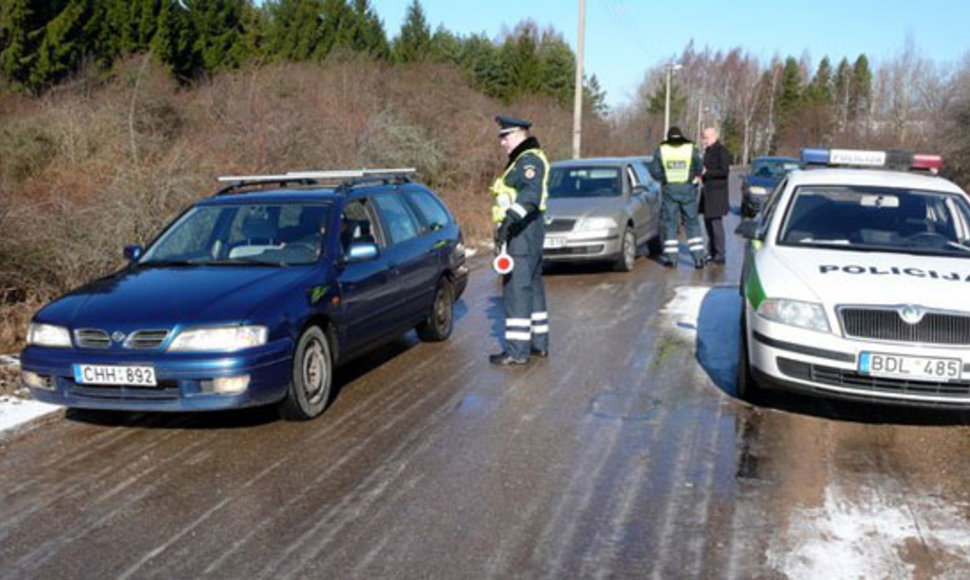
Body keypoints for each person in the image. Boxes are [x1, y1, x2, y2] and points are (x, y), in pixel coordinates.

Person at [489, 115, 550, 366]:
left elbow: (530, 196)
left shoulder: (529, 161)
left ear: (519, 135)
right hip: (529, 230)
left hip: (522, 232)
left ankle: (517, 351)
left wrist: (509, 223)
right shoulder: (524, 160)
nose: (502, 142)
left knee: (516, 289)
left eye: (505, 136)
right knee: (533, 287)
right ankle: (538, 344)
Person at [648, 126, 706, 269]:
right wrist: (691, 175)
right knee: (692, 223)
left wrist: (665, 178)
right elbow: (700, 168)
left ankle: (671, 259)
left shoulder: (661, 149)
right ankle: (698, 259)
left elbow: (653, 171)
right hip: (688, 190)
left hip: (669, 190)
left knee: (670, 223)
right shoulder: (690, 148)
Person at [700, 127, 731, 265]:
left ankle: (720, 254)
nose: (703, 140)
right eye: (703, 137)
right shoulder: (707, 151)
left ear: (714, 136)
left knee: (716, 225)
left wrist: (707, 173)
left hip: (717, 194)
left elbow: (724, 172)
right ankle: (712, 252)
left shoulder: (721, 151)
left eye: (706, 137)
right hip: (707, 193)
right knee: (708, 224)